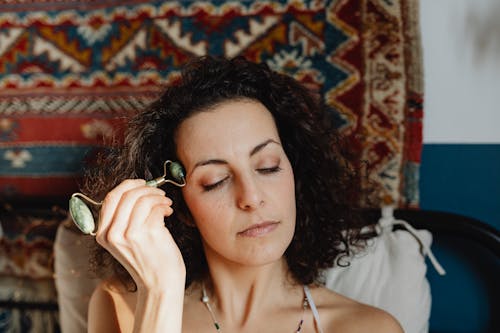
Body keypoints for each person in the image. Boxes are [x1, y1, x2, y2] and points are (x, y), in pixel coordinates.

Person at [85, 56, 403, 333]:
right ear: (181, 207)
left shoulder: (369, 328)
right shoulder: (120, 305)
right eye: (216, 181)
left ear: (296, 172)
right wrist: (159, 292)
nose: (251, 197)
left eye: (268, 167)